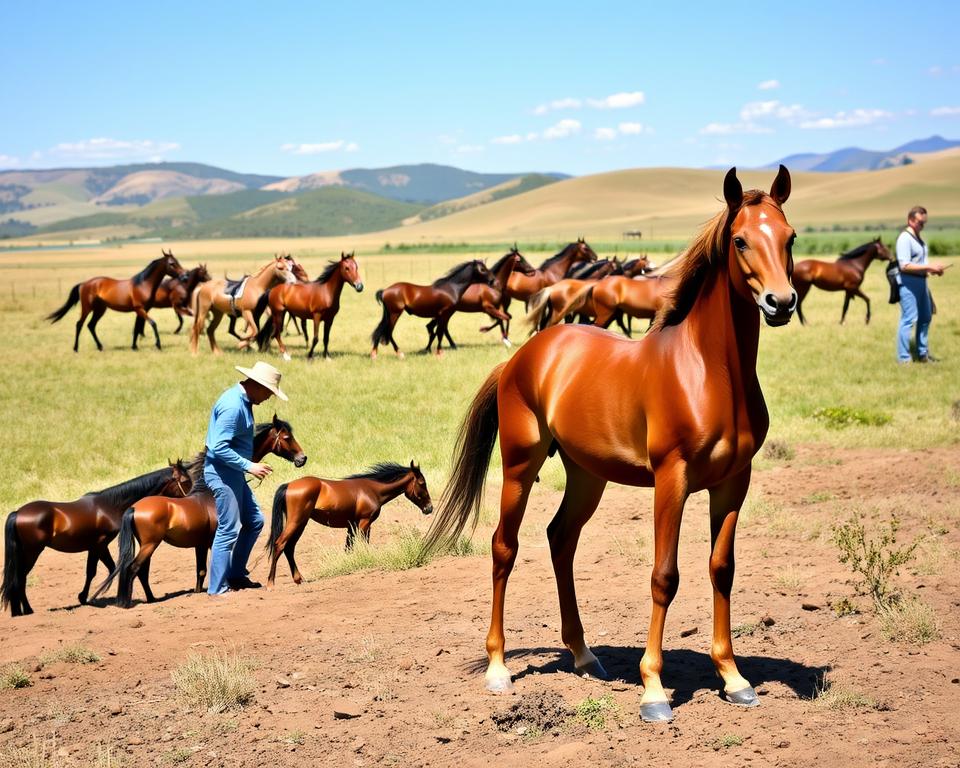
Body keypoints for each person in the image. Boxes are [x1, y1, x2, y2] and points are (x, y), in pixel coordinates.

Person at [204, 361, 288, 595]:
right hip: (222, 474)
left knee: (254, 520)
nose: (268, 398)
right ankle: (217, 589)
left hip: (233, 473)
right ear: (258, 386)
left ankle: (235, 575)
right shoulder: (233, 406)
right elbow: (218, 447)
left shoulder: (244, 402)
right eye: (269, 392)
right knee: (228, 529)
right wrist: (249, 465)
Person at [895, 206, 948, 363]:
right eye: (920, 222)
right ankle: (904, 359)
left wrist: (932, 270)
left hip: (921, 282)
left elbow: (919, 263)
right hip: (908, 284)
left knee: (925, 317)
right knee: (909, 319)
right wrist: (929, 267)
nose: (922, 226)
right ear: (910, 220)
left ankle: (923, 354)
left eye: (924, 223)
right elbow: (904, 265)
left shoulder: (918, 238)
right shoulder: (904, 238)